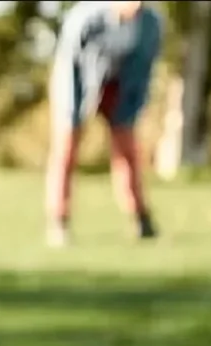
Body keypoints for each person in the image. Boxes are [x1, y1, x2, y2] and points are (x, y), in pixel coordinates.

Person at [45, 0, 162, 247]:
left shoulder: (150, 24)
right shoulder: (85, 19)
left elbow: (141, 73)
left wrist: (127, 110)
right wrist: (74, 112)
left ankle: (141, 219)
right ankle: (59, 220)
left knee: (127, 151)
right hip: (76, 80)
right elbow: (70, 65)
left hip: (118, 85)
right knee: (66, 149)